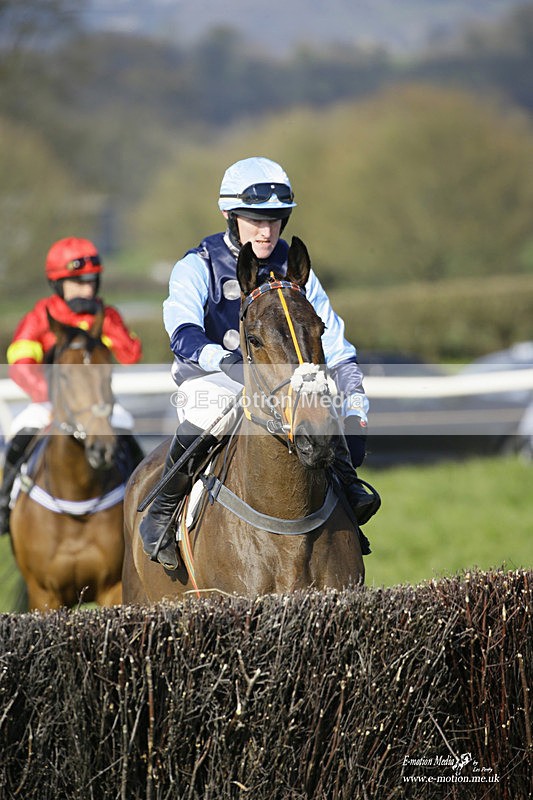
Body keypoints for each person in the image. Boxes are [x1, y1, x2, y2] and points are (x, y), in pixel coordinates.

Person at [140, 156, 381, 569]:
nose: (266, 231)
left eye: (274, 220)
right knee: (211, 410)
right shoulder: (196, 265)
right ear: (230, 216)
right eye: (256, 220)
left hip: (282, 379)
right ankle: (162, 510)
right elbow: (181, 332)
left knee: (320, 410)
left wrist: (355, 403)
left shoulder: (295, 266)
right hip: (215, 378)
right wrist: (230, 363)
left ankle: (346, 490)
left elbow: (335, 342)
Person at [0, 236, 144, 535]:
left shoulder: (105, 315)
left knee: (129, 442)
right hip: (47, 405)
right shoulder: (41, 316)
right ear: (58, 284)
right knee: (20, 437)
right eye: (77, 282)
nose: (87, 289)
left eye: (91, 282)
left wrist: (111, 325)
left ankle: (142, 505)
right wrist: (49, 398)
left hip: (99, 407)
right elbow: (20, 363)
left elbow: (130, 356)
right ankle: (5, 505)